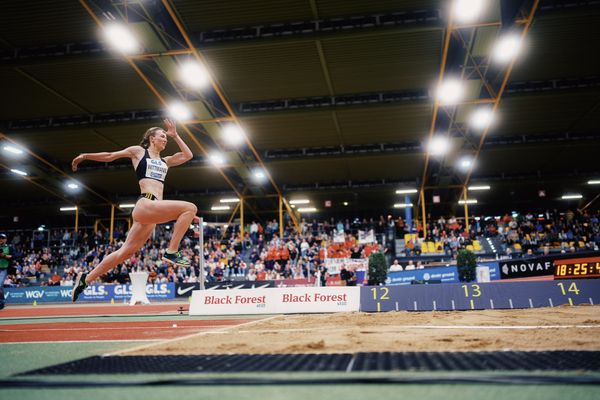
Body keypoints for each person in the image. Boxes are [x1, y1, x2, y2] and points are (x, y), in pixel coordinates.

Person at [70, 119, 196, 302]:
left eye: (165, 137)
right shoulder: (139, 152)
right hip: (145, 203)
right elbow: (110, 155)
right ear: (151, 138)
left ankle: (85, 279)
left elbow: (188, 155)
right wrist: (85, 155)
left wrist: (175, 134)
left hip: (153, 213)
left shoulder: (165, 161)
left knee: (125, 253)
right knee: (190, 207)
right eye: (162, 136)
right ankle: (171, 251)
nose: (165, 139)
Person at [0, 233, 14, 310]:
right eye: (0, 238)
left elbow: (13, 256)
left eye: (2, 238)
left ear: (5, 239)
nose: (1, 239)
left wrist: (4, 256)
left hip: (4, 268)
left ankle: (1, 301)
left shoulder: (9, 248)